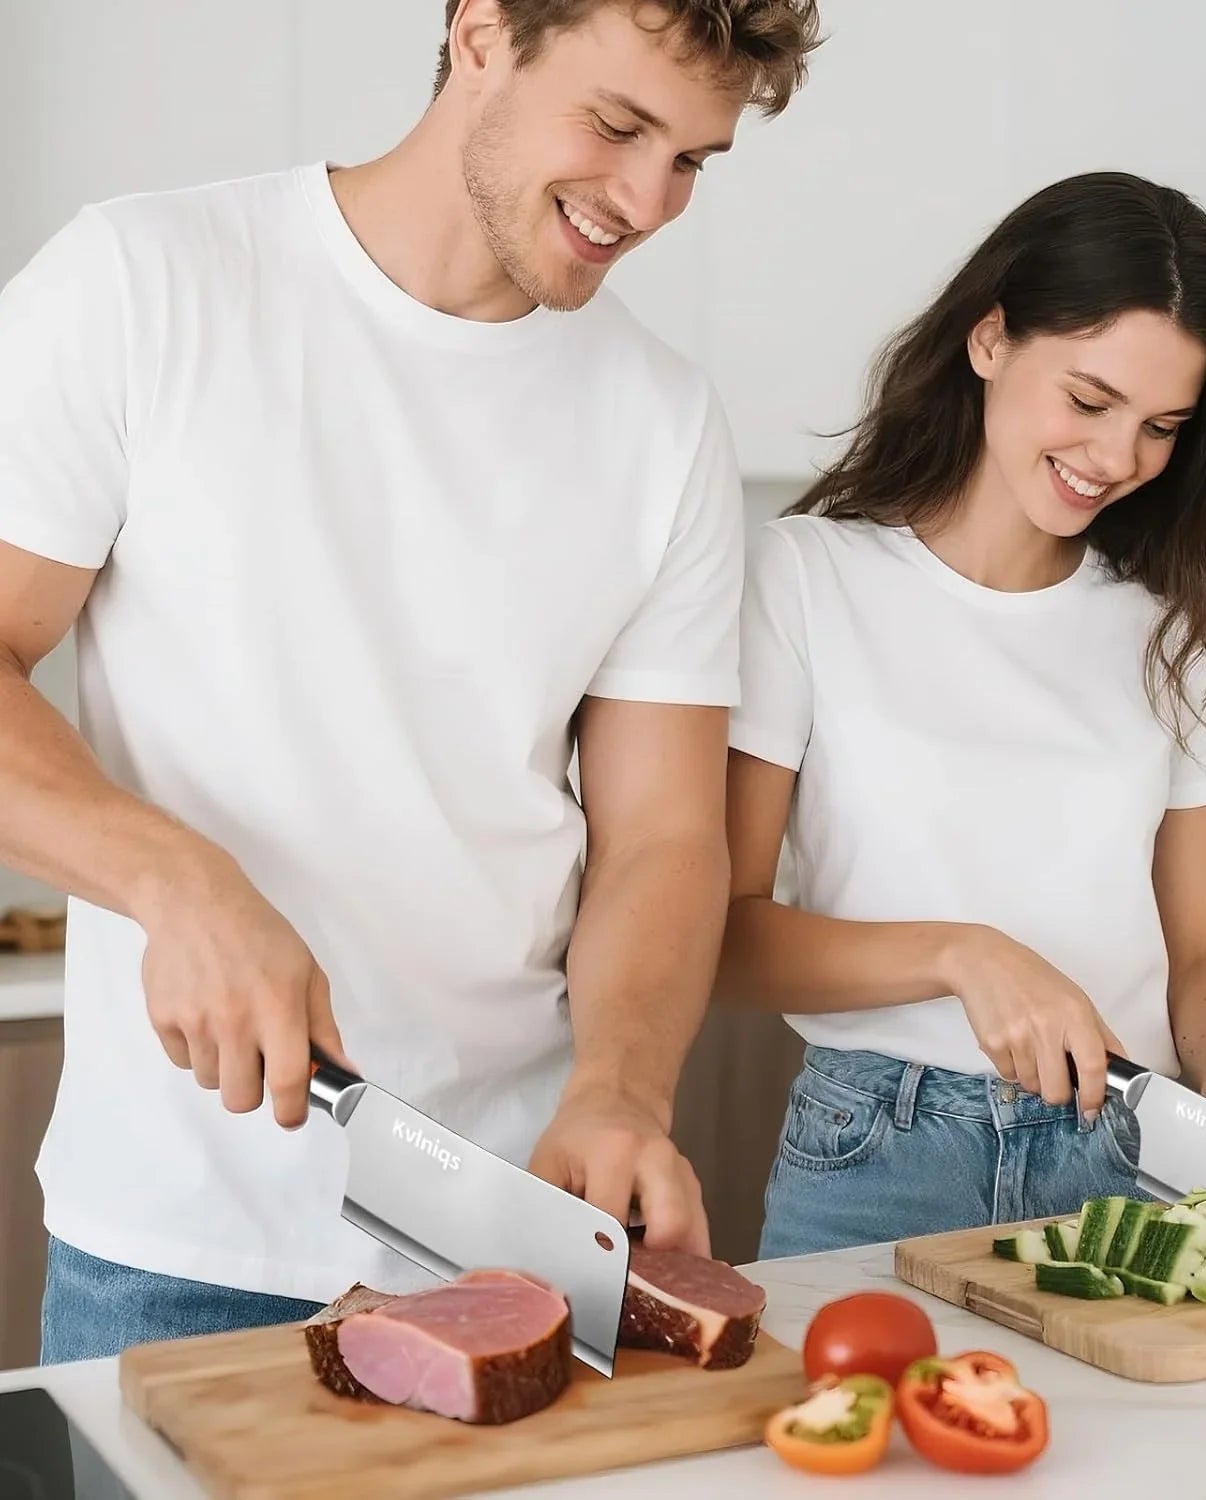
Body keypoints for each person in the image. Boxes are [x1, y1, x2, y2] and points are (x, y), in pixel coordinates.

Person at [0, 0, 822, 1361]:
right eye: (618, 127)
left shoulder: (660, 422)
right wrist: (174, 880)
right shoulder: (148, 283)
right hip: (188, 1245)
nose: (647, 200)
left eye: (692, 159)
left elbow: (664, 837)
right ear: (484, 32)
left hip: (512, 1234)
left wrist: (620, 1087)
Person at [714, 171, 1206, 1260]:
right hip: (880, 1154)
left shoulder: (1175, 620)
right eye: (1090, 401)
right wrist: (963, 955)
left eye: (1162, 426)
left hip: (1127, 1158)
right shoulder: (809, 579)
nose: (1116, 460)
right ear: (990, 340)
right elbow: (722, 937)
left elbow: (1202, 952)